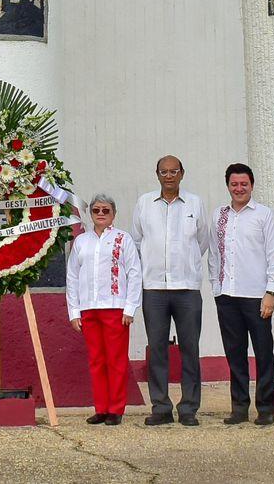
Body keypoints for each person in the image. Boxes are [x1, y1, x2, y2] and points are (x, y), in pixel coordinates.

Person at [130, 155, 210, 426]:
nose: (168, 176)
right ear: (157, 174)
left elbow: (202, 241)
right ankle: (161, 407)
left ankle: (188, 408)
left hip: (186, 288)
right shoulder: (144, 203)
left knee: (190, 348)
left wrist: (184, 266)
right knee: (157, 350)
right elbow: (138, 241)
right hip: (154, 288)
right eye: (163, 172)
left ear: (182, 174)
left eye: (173, 171)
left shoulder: (195, 203)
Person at [211, 163, 274, 426]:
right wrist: (216, 289)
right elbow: (214, 254)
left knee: (264, 353)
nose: (239, 188)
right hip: (227, 295)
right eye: (234, 184)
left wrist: (270, 292)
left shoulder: (265, 215)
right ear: (228, 185)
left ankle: (265, 408)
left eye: (244, 184)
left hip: (256, 296)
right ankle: (239, 407)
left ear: (252, 185)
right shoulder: (220, 215)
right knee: (235, 354)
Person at [66, 193, 142, 426]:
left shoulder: (123, 239)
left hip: (115, 308)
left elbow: (134, 273)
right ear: (91, 214)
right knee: (96, 360)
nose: (100, 214)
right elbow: (72, 277)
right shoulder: (82, 241)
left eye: (105, 210)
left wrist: (130, 307)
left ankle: (116, 409)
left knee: (116, 360)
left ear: (113, 214)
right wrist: (74, 312)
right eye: (96, 210)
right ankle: (101, 408)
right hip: (89, 308)